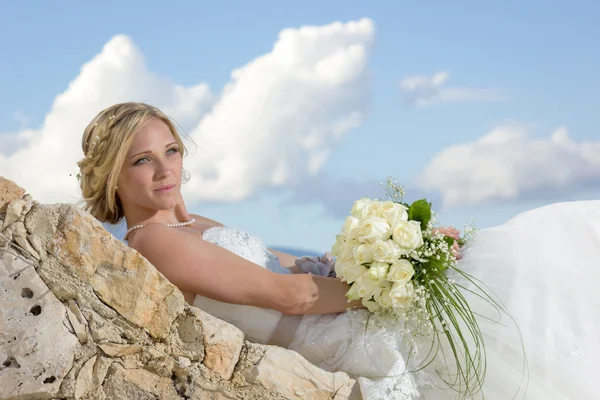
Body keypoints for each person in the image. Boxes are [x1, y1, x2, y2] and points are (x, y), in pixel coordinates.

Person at [78, 102, 599, 399]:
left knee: (508, 265)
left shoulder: (196, 224)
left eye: (171, 150)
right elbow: (290, 295)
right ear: (113, 176)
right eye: (143, 161)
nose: (167, 169)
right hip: (344, 341)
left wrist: (404, 254)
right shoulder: (153, 242)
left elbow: (297, 266)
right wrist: (386, 284)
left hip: (356, 322)